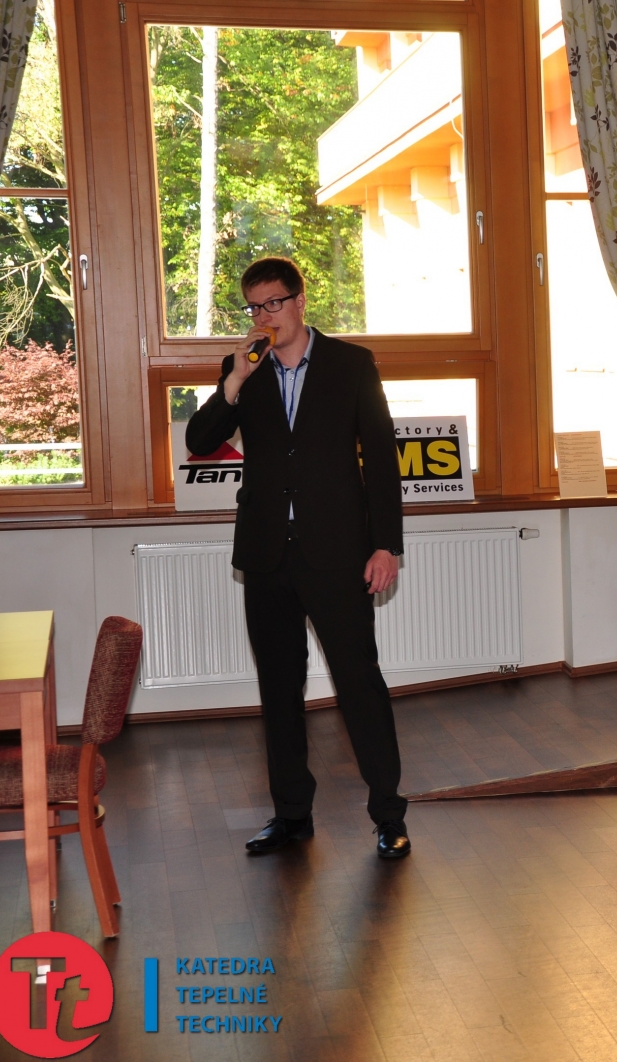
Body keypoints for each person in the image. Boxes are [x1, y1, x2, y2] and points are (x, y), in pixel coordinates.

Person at [186, 257, 411, 859]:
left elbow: (381, 459)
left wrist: (386, 544)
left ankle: (389, 815)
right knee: (279, 690)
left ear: (300, 301)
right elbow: (199, 441)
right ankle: (291, 815)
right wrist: (234, 382)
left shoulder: (351, 364)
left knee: (359, 685)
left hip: (337, 553)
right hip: (266, 556)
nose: (265, 317)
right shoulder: (244, 369)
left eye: (274, 303)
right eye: (254, 307)